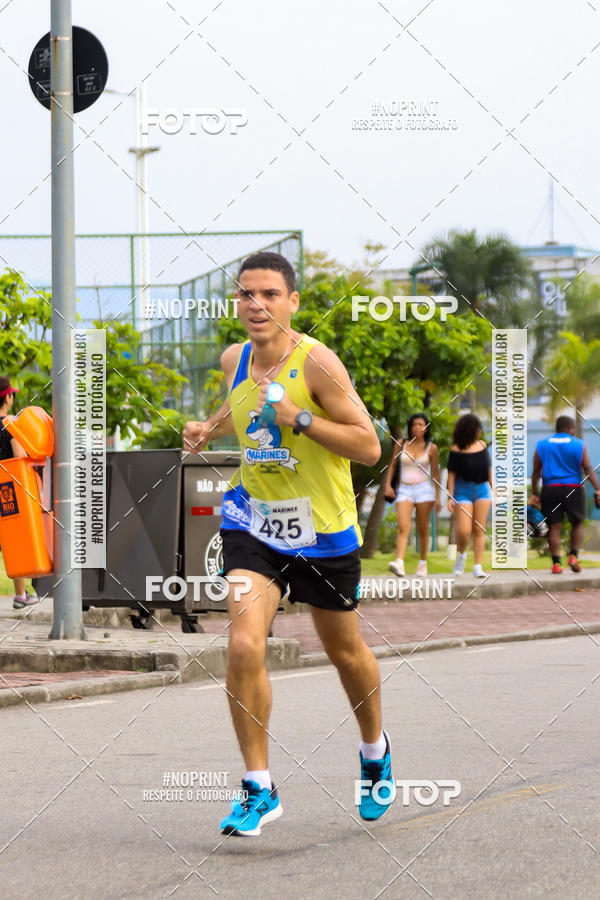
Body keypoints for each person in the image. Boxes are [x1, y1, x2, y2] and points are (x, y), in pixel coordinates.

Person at [183, 251, 393, 835]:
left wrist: (300, 420)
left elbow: (369, 447)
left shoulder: (319, 364)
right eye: (247, 294)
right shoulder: (236, 359)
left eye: (269, 294)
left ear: (292, 302)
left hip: (324, 531)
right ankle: (258, 788)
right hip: (254, 523)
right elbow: (242, 403)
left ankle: (374, 751)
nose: (256, 305)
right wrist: (210, 426)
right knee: (245, 644)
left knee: (345, 652)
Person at [531, 415, 600, 574]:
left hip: (550, 489)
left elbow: (536, 471)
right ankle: (573, 557)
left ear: (557, 428)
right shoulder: (579, 444)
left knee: (554, 526)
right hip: (573, 488)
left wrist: (535, 493)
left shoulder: (542, 445)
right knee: (578, 523)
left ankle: (556, 564)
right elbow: (588, 468)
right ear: (570, 429)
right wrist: (597, 489)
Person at [383, 413, 442, 576]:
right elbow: (392, 466)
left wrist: (438, 497)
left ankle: (423, 563)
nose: (417, 427)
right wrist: (388, 486)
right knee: (403, 526)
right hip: (404, 489)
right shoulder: (401, 444)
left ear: (426, 428)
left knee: (423, 528)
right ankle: (399, 562)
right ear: (410, 426)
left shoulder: (432, 448)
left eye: (421, 424)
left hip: (424, 490)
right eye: (414, 424)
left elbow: (436, 474)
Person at [0, 377, 39, 609]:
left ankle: (23, 594)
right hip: (8, 490)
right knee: (15, 540)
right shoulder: (11, 425)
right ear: (8, 397)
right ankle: (20, 595)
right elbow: (20, 457)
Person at [446, 413, 492, 577]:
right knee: (464, 531)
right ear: (470, 430)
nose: (480, 431)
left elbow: (488, 470)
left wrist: (495, 490)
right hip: (462, 490)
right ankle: (462, 555)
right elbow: (451, 475)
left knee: (479, 529)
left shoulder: (482, 445)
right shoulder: (455, 449)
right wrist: (450, 497)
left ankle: (478, 566)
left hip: (482, 490)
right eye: (477, 428)